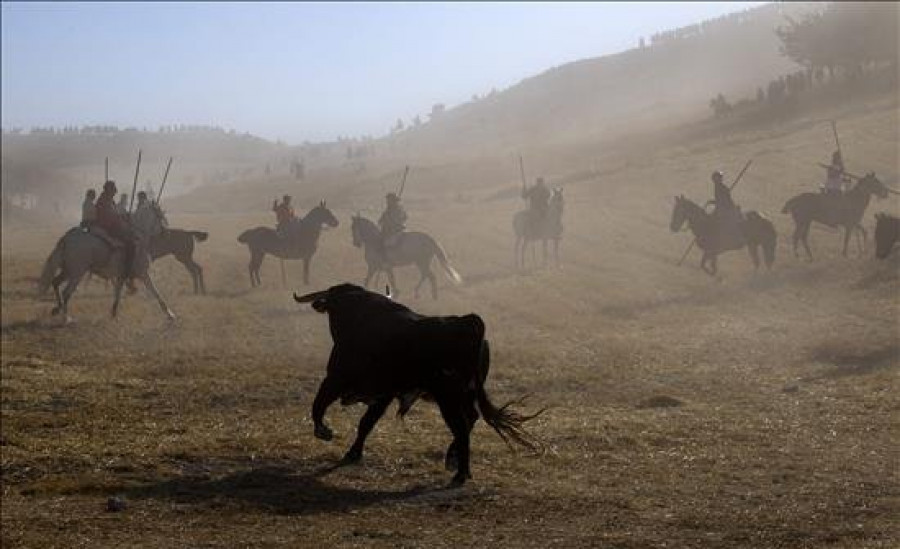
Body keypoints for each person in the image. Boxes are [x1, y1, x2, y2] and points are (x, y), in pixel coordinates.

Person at [96, 181, 138, 293]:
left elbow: (114, 214)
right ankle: (127, 275)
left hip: (111, 226)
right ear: (109, 190)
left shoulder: (108, 199)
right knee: (131, 245)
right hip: (108, 228)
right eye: (114, 189)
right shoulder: (104, 201)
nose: (115, 191)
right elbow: (109, 217)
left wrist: (124, 216)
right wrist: (121, 220)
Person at [707, 170, 743, 248]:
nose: (719, 179)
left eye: (719, 178)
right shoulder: (717, 187)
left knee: (724, 223)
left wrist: (714, 202)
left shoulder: (722, 187)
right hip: (721, 208)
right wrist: (713, 202)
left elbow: (724, 201)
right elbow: (720, 200)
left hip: (727, 209)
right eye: (717, 178)